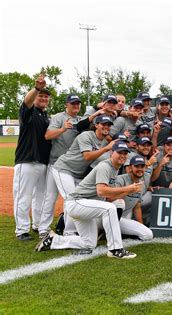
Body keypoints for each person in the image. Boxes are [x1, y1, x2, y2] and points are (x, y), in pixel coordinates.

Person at [35, 141, 140, 259]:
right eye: (120, 152)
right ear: (112, 152)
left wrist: (127, 191)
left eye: (125, 153)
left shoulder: (114, 169)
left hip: (84, 207)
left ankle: (53, 240)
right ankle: (115, 249)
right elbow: (101, 191)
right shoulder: (105, 166)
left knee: (89, 243)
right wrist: (127, 188)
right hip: (76, 203)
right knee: (110, 208)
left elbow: (109, 197)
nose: (123, 155)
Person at [13, 74, 52, 241]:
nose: (43, 98)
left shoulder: (46, 116)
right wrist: (36, 88)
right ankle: (21, 230)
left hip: (43, 162)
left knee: (40, 197)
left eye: (45, 96)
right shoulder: (29, 112)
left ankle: (37, 224)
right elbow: (27, 101)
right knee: (24, 196)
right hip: (27, 161)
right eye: (40, 95)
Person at [39, 94, 83, 238]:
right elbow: (47, 135)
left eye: (78, 103)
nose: (76, 106)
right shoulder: (59, 117)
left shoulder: (81, 120)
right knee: (50, 197)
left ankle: (67, 227)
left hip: (72, 167)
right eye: (73, 103)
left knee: (71, 197)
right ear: (66, 104)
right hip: (56, 163)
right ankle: (43, 229)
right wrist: (63, 129)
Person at [114, 155, 154, 240]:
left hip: (123, 218)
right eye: (136, 166)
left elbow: (137, 208)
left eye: (142, 166)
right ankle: (106, 231)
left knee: (148, 234)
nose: (140, 169)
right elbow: (109, 199)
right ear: (130, 168)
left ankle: (117, 232)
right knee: (119, 202)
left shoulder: (141, 182)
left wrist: (141, 226)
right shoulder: (120, 179)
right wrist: (128, 191)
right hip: (109, 216)